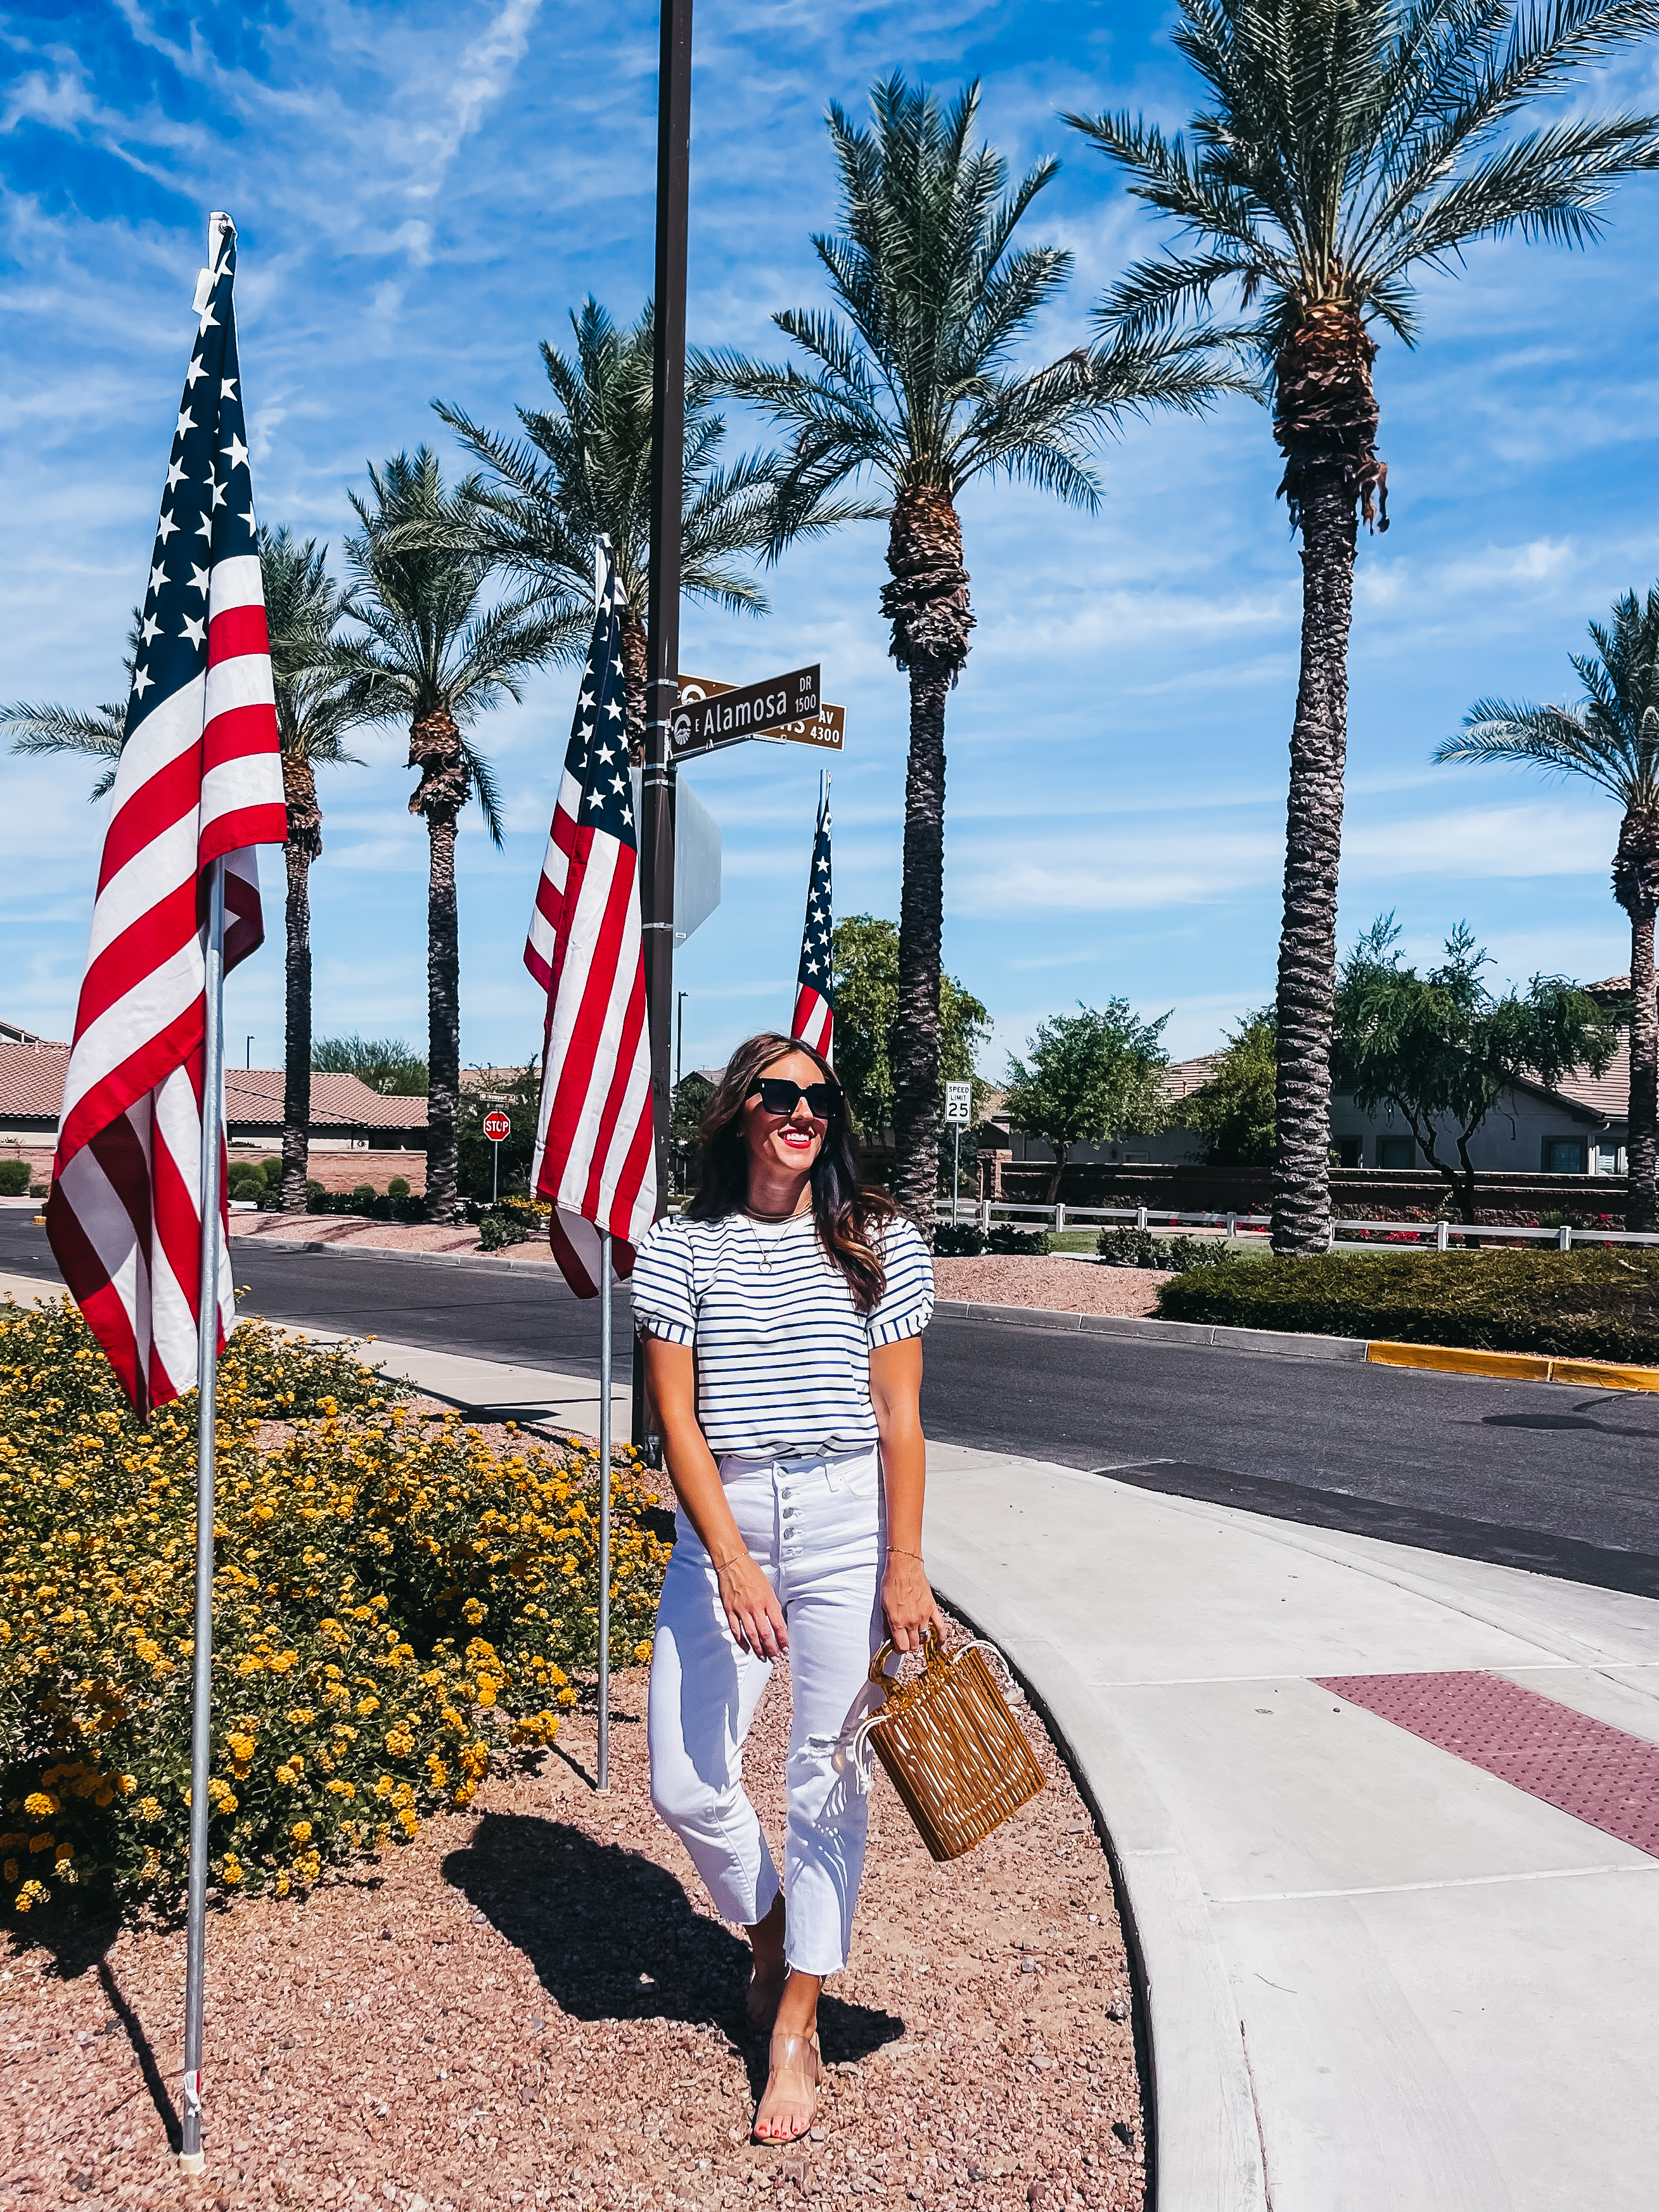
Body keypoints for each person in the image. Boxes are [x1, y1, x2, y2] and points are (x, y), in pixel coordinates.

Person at [632, 1032, 941, 2145]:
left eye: (819, 1096)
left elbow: (901, 1419)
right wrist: (728, 1556)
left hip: (848, 1519)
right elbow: (674, 1421)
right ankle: (767, 1927)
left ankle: (795, 2021)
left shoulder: (879, 1241)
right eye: (778, 1095)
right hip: (728, 1521)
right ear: (739, 1114)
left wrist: (905, 1566)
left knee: (824, 1774)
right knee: (682, 1777)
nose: (801, 1110)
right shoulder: (679, 1246)